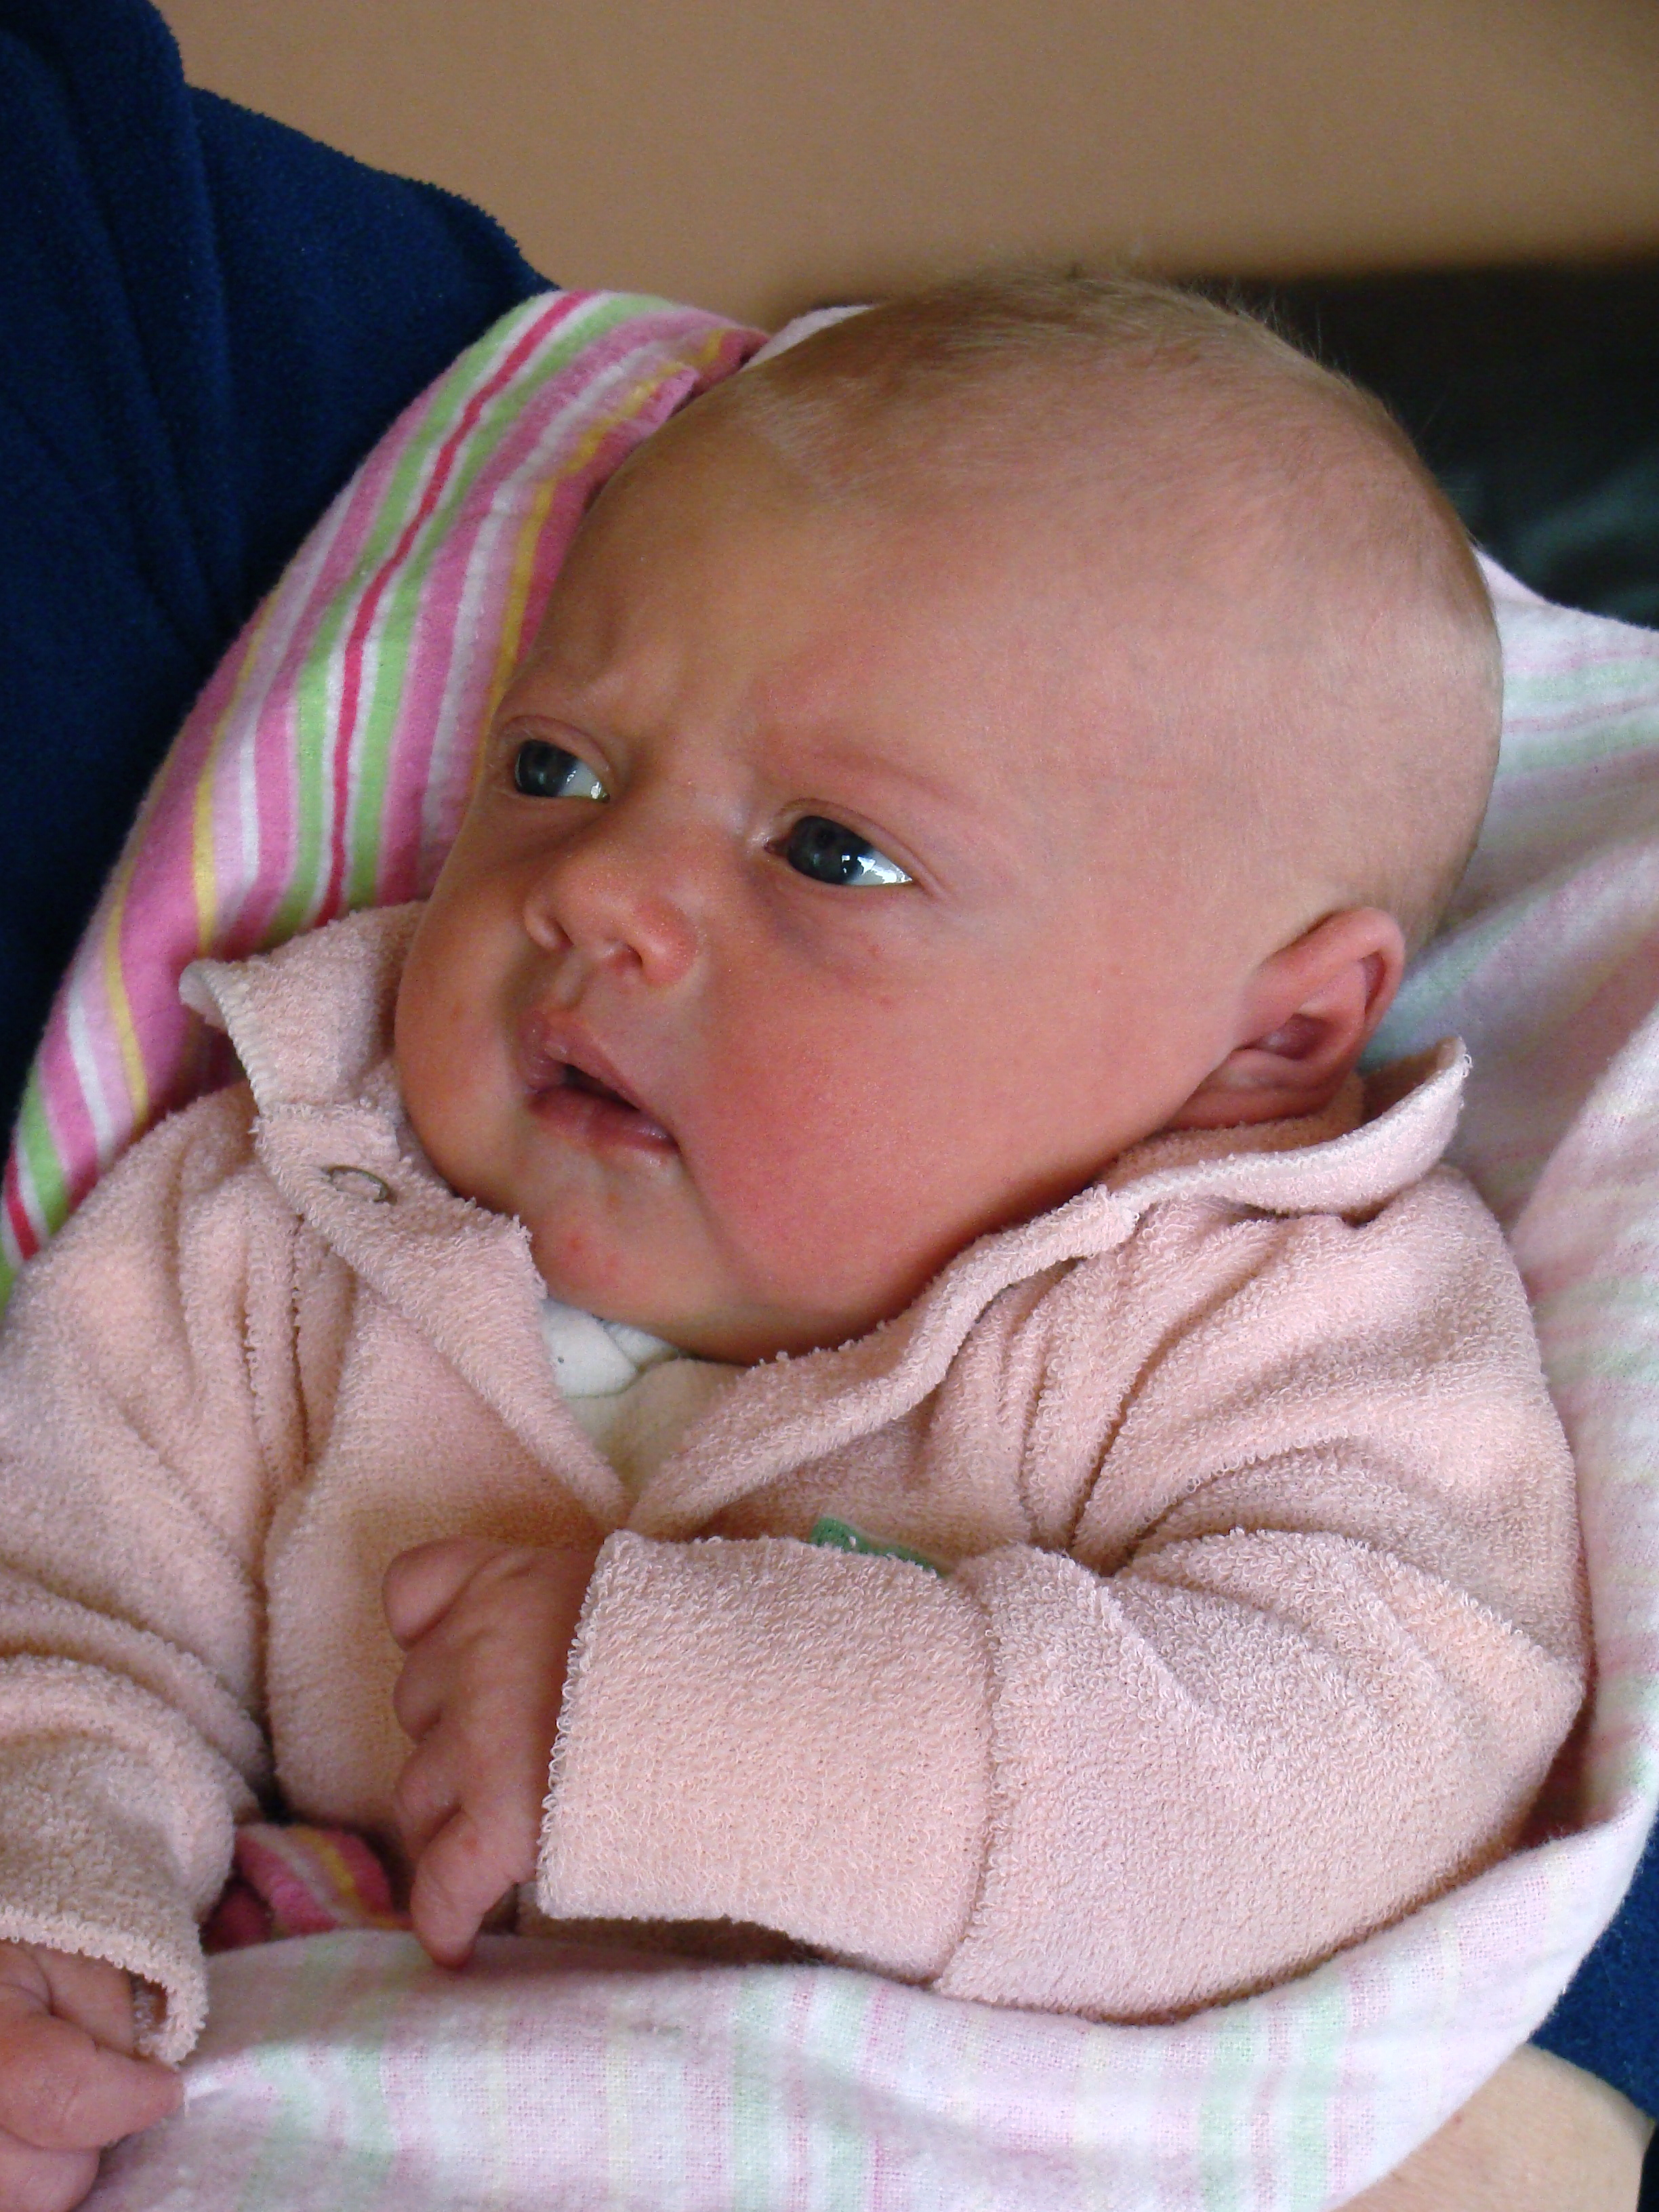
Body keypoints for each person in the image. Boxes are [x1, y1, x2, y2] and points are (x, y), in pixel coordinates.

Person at [0, 272, 1589, 2209]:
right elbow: (59, 1619)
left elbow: (1369, 1765)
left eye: (832, 851)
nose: (598, 890)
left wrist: (704, 1726)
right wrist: (47, 1922)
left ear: (1271, 1036)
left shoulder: (1265, 1311)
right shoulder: (290, 1210)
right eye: (555, 767)